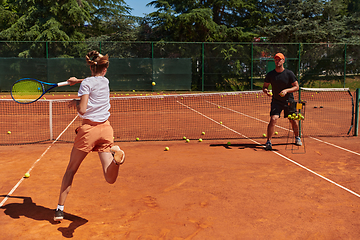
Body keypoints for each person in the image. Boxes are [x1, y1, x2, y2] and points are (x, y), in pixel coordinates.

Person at [54, 50, 125, 222]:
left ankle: (59, 210)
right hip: (107, 130)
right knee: (110, 178)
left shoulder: (86, 84)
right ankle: (117, 159)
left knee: (71, 170)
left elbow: (83, 109)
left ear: (90, 67)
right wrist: (76, 81)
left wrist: (77, 102)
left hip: (88, 131)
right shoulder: (105, 81)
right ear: (105, 68)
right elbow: (93, 80)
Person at [262, 52, 302, 150]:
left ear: (283, 61)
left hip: (289, 101)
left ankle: (297, 137)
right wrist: (266, 91)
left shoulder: (289, 74)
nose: (277, 61)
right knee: (273, 119)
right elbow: (265, 87)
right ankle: (268, 141)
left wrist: (286, 90)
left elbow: (297, 87)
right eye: (276, 59)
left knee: (293, 120)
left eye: (279, 59)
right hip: (276, 101)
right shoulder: (270, 74)